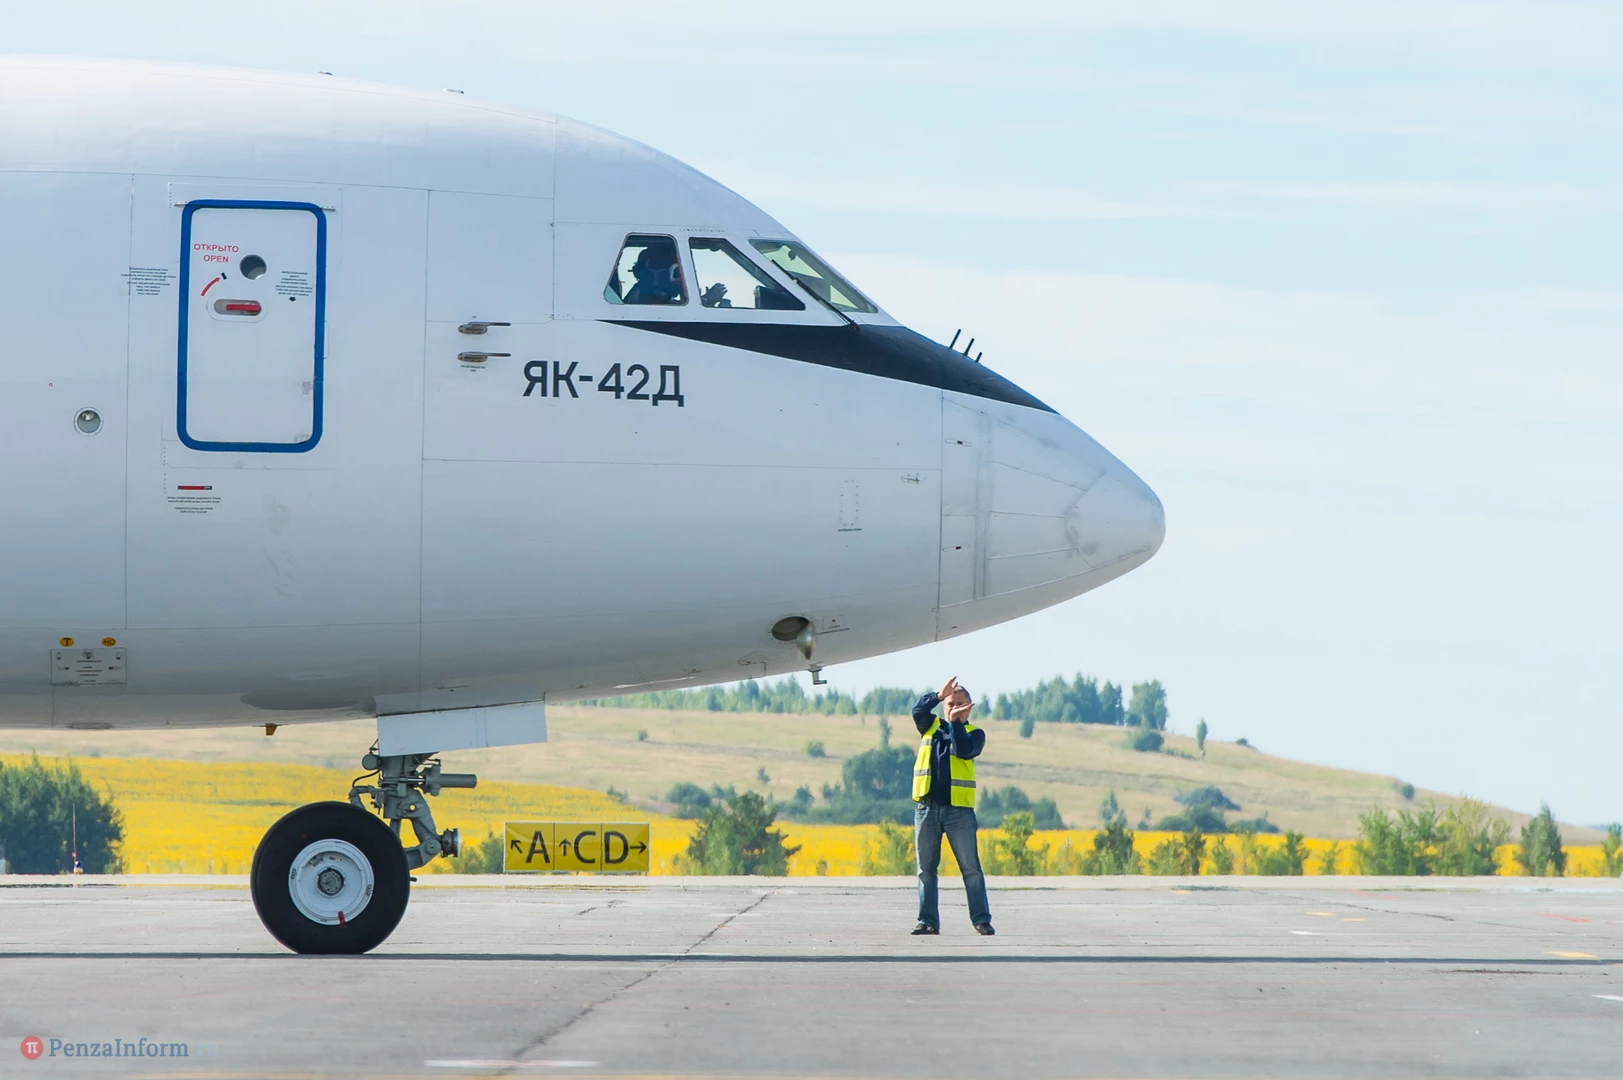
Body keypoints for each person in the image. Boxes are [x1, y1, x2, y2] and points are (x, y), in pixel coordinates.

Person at [910, 676, 993, 936]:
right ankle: (927, 921)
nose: (954, 707)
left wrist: (956, 723)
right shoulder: (930, 727)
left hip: (959, 812)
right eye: (950, 704)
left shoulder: (974, 733)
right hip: (927, 808)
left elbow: (963, 751)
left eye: (960, 704)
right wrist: (937, 695)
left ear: (970, 706)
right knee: (925, 869)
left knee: (971, 868)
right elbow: (917, 710)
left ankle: (981, 919)